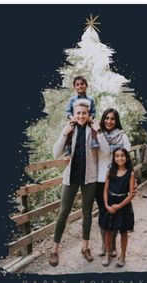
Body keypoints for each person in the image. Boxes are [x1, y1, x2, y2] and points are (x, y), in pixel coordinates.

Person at [49, 101, 97, 267]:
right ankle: (54, 249)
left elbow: (104, 151)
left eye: (84, 113)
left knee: (87, 212)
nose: (81, 116)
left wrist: (98, 130)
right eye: (78, 113)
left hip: (89, 178)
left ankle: (85, 247)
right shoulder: (69, 129)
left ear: (88, 114)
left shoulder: (93, 130)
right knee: (63, 213)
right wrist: (64, 132)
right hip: (71, 178)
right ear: (74, 114)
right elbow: (56, 152)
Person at [93, 108, 131, 257]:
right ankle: (105, 245)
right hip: (99, 180)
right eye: (107, 118)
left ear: (116, 121)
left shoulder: (122, 136)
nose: (109, 121)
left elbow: (127, 160)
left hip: (116, 181)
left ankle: (113, 246)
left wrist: (128, 179)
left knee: (115, 213)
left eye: (112, 119)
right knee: (103, 213)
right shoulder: (95, 135)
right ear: (103, 119)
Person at [101, 148, 135, 267]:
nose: (120, 158)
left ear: (126, 157)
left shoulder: (130, 173)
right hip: (110, 203)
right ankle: (107, 254)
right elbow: (105, 190)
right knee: (108, 231)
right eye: (117, 156)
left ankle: (123, 255)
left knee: (123, 231)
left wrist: (119, 206)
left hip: (123, 204)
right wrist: (106, 205)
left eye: (122, 156)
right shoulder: (110, 172)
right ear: (114, 158)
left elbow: (131, 194)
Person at [64, 75, 99, 155]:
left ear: (86, 85)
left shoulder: (90, 99)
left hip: (87, 120)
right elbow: (68, 111)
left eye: (82, 84)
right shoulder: (72, 99)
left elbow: (93, 111)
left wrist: (91, 117)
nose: (80, 86)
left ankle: (94, 141)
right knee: (70, 128)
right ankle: (68, 146)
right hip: (76, 120)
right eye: (77, 84)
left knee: (94, 125)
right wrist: (71, 117)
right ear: (75, 87)